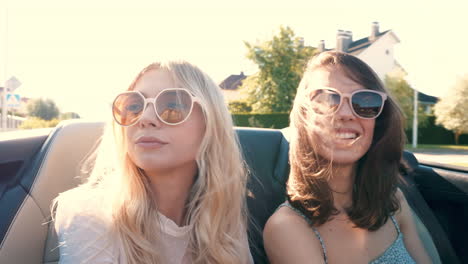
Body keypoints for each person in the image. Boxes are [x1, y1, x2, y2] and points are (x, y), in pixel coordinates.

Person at [53, 60, 253, 264]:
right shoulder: (90, 214)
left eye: (172, 106)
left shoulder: (221, 216)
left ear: (210, 124)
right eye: (134, 106)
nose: (145, 118)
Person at [263, 51, 432, 263]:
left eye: (364, 101)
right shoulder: (288, 227)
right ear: (304, 117)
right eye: (326, 99)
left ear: (377, 122)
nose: (345, 113)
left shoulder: (393, 201)